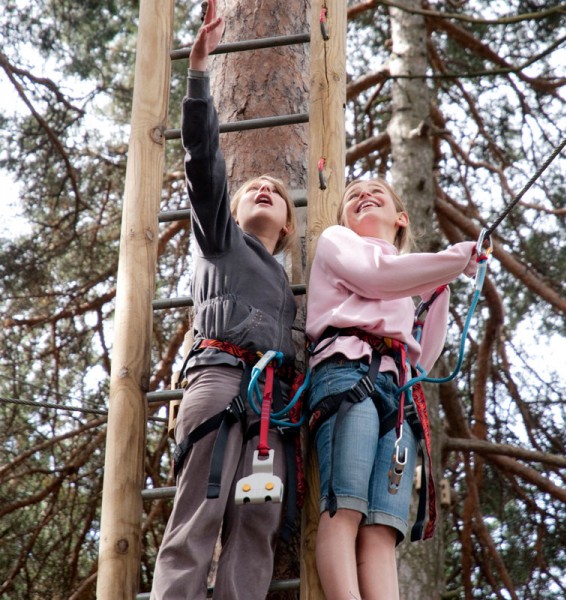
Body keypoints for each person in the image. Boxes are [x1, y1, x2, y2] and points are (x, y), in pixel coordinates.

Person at [150, 1, 299, 598]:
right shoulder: (220, 241)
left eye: (276, 191)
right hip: (216, 375)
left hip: (273, 405)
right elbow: (205, 165)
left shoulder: (290, 293)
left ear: (287, 227)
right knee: (199, 510)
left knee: (257, 521)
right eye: (253, 188)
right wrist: (199, 77)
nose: (263, 187)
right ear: (234, 211)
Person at [306, 177, 478, 600]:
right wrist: (454, 260)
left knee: (382, 528)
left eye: (375, 193)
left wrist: (442, 282)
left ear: (400, 218)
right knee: (344, 506)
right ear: (344, 216)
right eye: (353, 196)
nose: (363, 195)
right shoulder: (337, 240)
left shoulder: (417, 283)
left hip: (396, 390)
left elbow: (425, 353)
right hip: (348, 369)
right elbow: (374, 276)